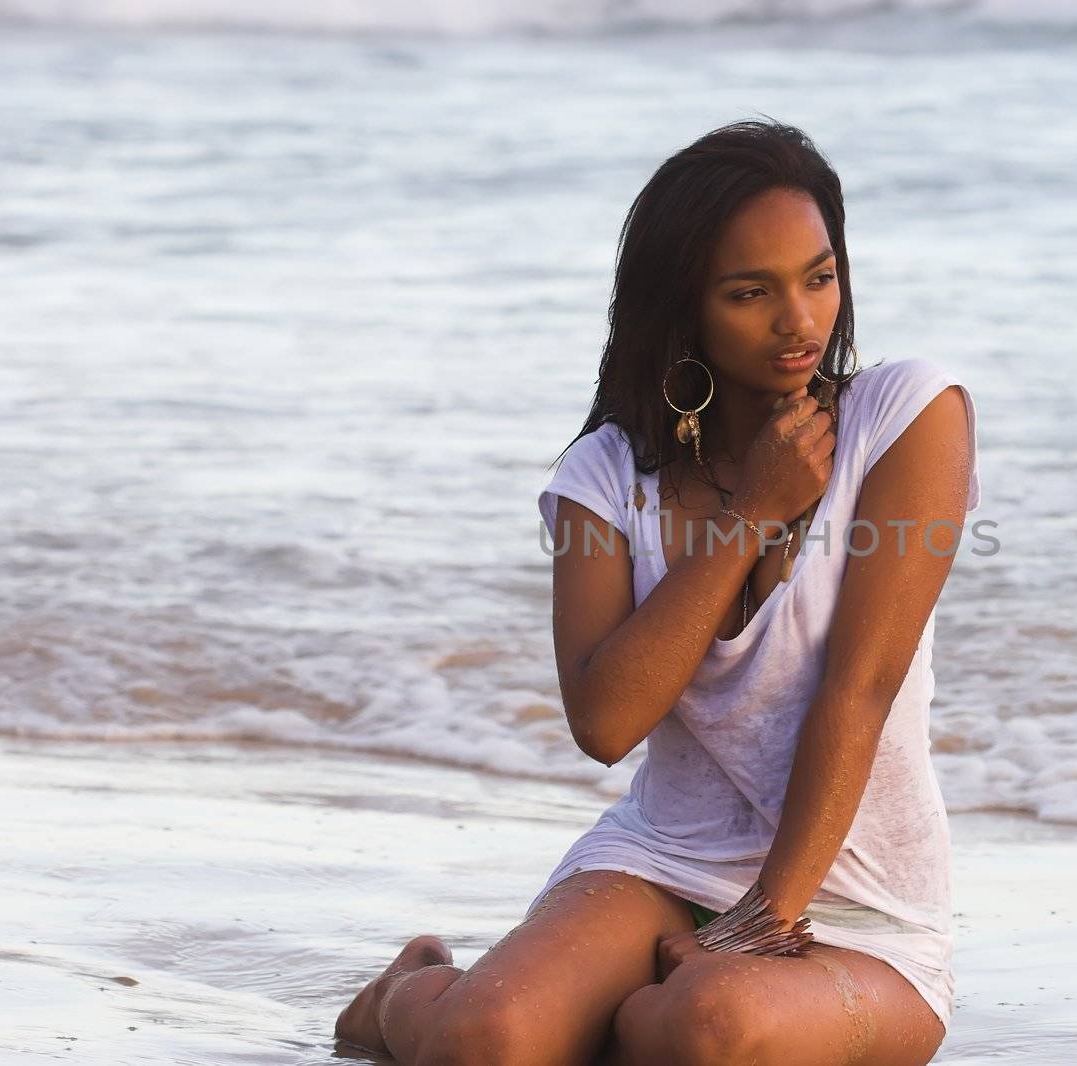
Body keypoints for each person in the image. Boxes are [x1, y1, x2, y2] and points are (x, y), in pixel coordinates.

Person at [335, 118, 981, 1066]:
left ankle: (634, 1016)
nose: (801, 320)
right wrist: (750, 514)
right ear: (684, 308)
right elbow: (605, 722)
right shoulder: (607, 478)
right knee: (485, 1039)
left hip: (859, 904)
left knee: (704, 1028)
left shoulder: (906, 418)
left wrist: (761, 922)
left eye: (820, 276)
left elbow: (863, 689)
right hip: (660, 865)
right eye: (750, 292)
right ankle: (409, 990)